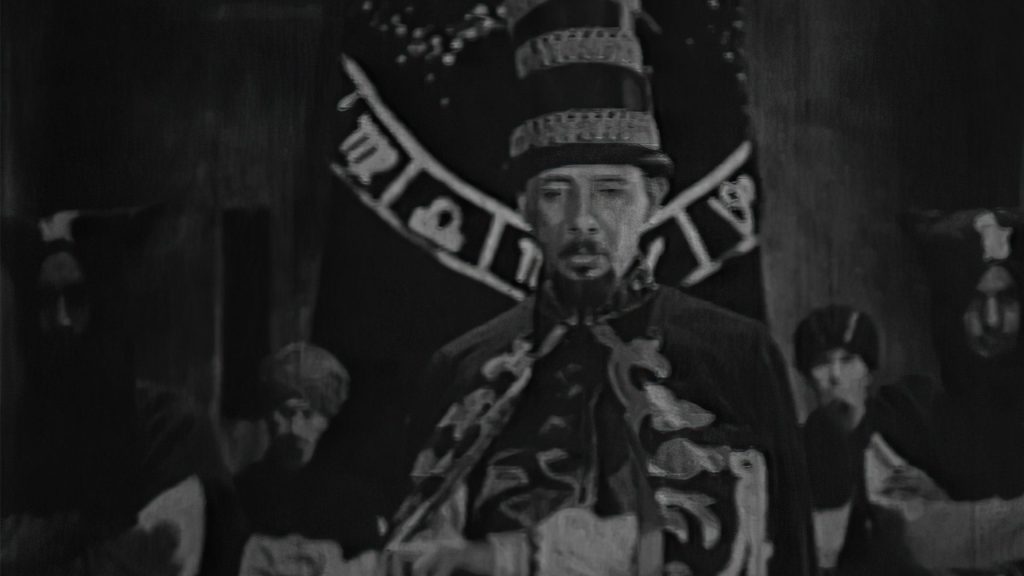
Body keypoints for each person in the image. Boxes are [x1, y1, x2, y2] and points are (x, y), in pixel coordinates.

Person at [383, 3, 815, 574]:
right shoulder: (462, 369)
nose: (583, 220)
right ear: (524, 206)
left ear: (652, 200)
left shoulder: (735, 354)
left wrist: (508, 560)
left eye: (610, 192)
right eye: (556, 193)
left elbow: (777, 550)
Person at [1, 209, 215, 576]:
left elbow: (155, 558)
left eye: (77, 298)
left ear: (104, 306)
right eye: (46, 301)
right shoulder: (19, 429)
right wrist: (85, 531)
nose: (62, 320)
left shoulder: (169, 425)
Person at [883, 207, 1024, 573]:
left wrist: (948, 513)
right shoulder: (906, 416)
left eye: (1008, 299)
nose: (992, 320)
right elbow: (914, 540)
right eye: (974, 300)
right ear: (946, 311)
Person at [793, 305, 934, 575]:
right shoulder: (797, 450)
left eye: (847, 360)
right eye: (822, 362)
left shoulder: (902, 432)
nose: (835, 376)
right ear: (807, 377)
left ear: (868, 371)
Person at [234, 342, 385, 576]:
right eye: (286, 413)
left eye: (308, 413)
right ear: (268, 415)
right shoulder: (242, 493)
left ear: (326, 419)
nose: (296, 428)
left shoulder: (352, 501)